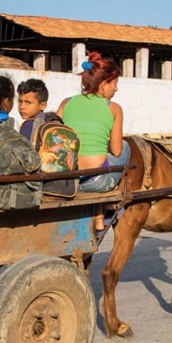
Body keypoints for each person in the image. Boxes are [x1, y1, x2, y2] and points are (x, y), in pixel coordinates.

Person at [57, 51, 130, 237]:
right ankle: (109, 204)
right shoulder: (114, 108)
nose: (116, 89)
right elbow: (116, 150)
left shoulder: (66, 103)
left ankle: (98, 215)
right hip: (95, 182)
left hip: (68, 180)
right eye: (115, 84)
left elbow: (54, 136)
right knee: (126, 146)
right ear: (104, 84)